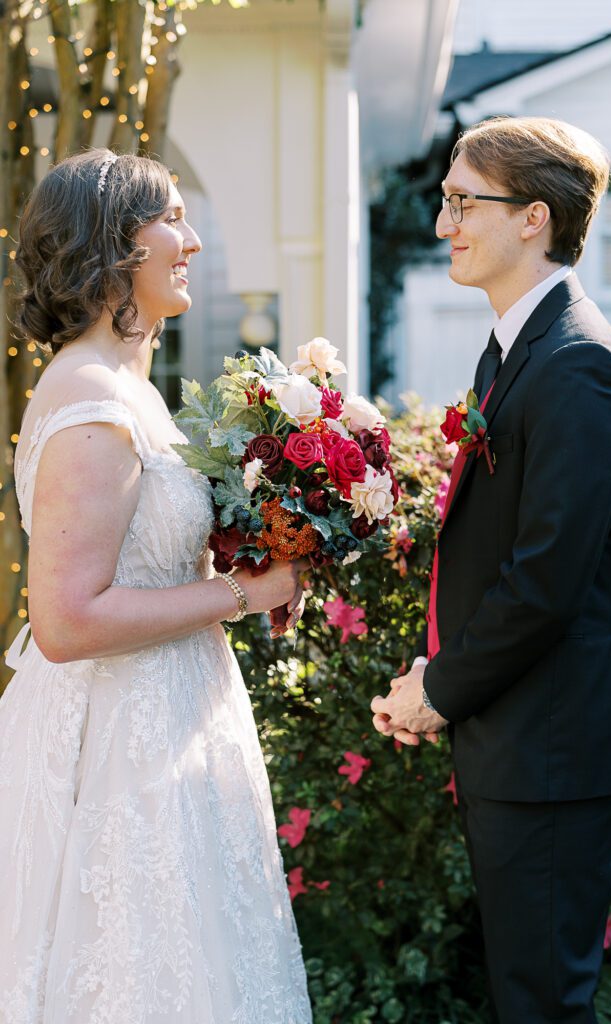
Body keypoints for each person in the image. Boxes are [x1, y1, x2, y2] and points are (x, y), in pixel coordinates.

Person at [0, 149, 312, 1022]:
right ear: (114, 245)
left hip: (173, 720)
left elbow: (151, 554)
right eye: (172, 218)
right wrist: (245, 596)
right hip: (116, 751)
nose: (193, 241)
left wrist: (262, 551)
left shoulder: (130, 385)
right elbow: (67, 621)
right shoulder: (91, 401)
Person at [371, 116, 611, 1023]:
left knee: (541, 1004)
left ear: (534, 217)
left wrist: (439, 690)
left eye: (463, 202)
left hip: (554, 747)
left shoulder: (578, 364)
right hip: (520, 737)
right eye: (444, 200)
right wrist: (436, 673)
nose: (443, 223)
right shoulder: (517, 348)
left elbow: (546, 583)